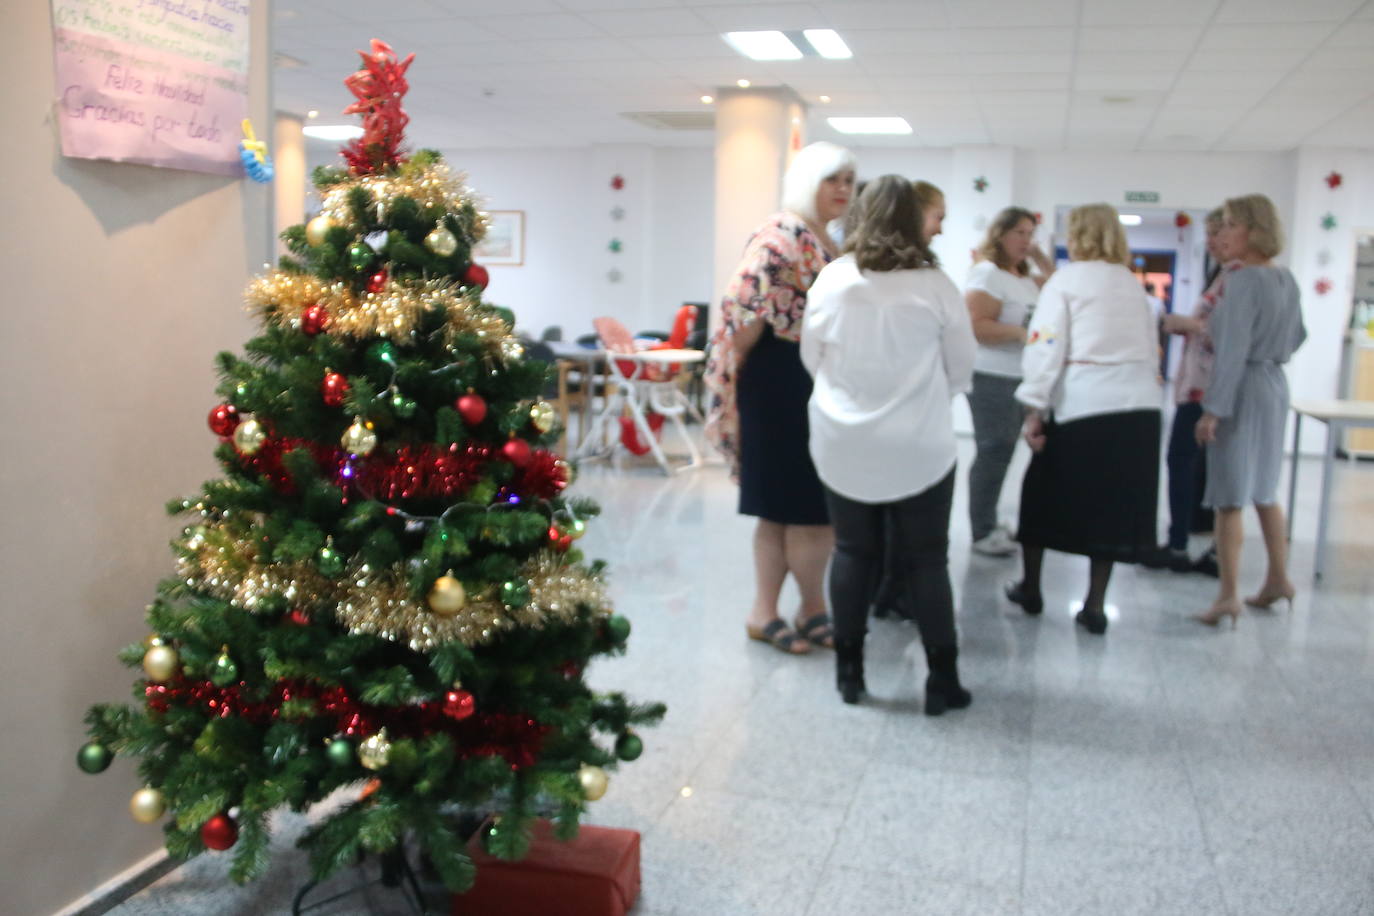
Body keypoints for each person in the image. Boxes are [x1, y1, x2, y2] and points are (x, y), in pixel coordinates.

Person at [801, 175, 976, 711]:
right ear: (913, 222)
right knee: (927, 561)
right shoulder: (937, 285)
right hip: (920, 444)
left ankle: (849, 674)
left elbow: (812, 358)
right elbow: (961, 369)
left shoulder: (833, 279)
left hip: (844, 442)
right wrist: (918, 399)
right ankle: (941, 681)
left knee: (853, 552)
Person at [704, 141, 857, 655]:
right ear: (808, 180)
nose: (842, 190)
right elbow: (741, 308)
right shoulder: (782, 232)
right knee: (798, 507)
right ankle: (772, 611)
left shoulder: (823, 237)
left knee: (792, 508)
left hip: (806, 379)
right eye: (832, 179)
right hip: (779, 380)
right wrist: (744, 372)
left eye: (848, 181)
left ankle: (801, 609)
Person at [1005, 203, 1162, 635]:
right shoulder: (1133, 287)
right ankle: (1094, 605)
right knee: (1111, 508)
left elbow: (1045, 346)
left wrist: (1033, 409)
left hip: (1084, 406)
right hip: (1138, 410)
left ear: (1076, 236)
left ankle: (1031, 588)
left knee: (1039, 497)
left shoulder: (1066, 281)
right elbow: (1152, 350)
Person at [1194, 194, 1307, 627]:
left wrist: (1212, 411)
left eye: (1229, 226)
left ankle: (1227, 595)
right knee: (1264, 487)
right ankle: (1278, 578)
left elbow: (1232, 352)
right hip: (1274, 384)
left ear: (1253, 230)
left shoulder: (1242, 282)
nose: (1222, 235)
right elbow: (1298, 336)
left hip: (1243, 387)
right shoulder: (1286, 279)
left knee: (1229, 496)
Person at [965, 207, 1054, 556]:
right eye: (1019, 233)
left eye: (1030, 234)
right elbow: (975, 325)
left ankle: (988, 521)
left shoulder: (1022, 277)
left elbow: (1058, 283)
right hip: (991, 375)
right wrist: (1022, 332)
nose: (1026, 240)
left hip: (1018, 376)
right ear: (1000, 234)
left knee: (1004, 452)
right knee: (993, 450)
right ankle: (980, 530)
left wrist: (1038, 255)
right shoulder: (988, 275)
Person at [1143, 208, 1228, 574]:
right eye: (1207, 234)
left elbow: (1231, 334)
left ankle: (1188, 545)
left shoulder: (1241, 278)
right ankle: (1188, 541)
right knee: (1190, 464)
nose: (1209, 241)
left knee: (1189, 461)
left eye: (1218, 233)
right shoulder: (1222, 274)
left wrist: (1188, 324)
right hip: (1198, 384)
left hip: (1210, 389)